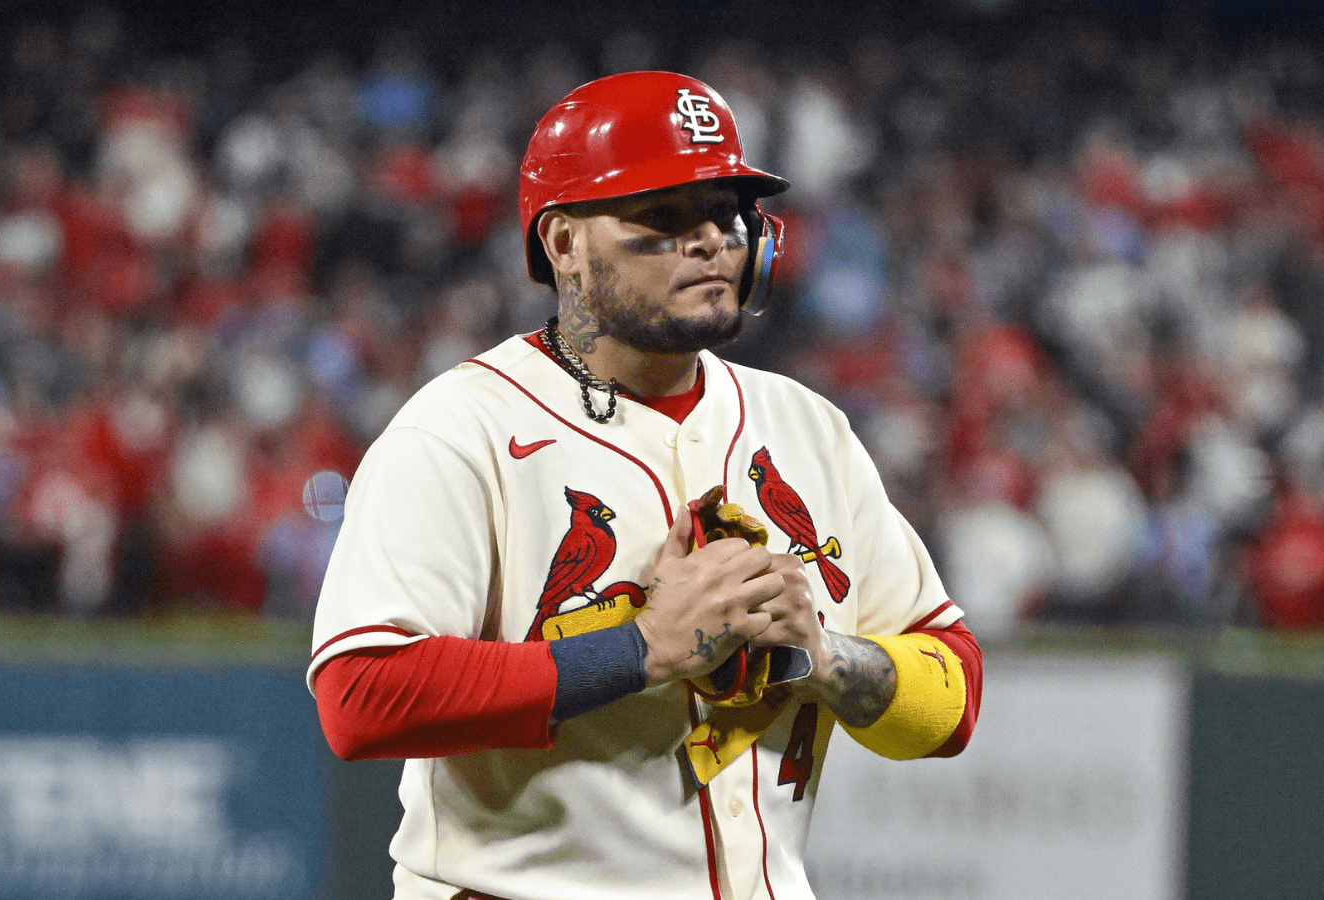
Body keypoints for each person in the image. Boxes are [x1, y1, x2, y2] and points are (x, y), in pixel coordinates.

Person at [309, 71, 983, 900]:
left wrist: (821, 654)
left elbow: (953, 696)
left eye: (726, 212)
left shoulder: (808, 427)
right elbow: (362, 692)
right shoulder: (460, 428)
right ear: (562, 244)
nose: (709, 241)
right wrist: (645, 648)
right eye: (661, 216)